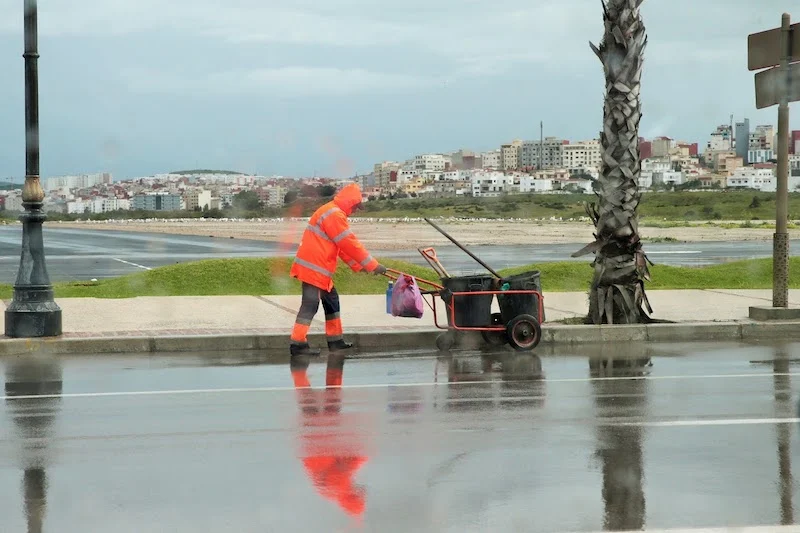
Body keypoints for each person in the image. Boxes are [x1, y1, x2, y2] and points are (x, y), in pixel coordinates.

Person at [289, 183, 386, 356]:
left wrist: (359, 265)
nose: (356, 210)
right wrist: (372, 265)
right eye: (356, 207)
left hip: (318, 267)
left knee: (331, 301)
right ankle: (298, 344)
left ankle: (335, 341)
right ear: (350, 202)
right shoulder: (334, 214)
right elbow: (349, 243)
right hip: (315, 267)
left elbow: (340, 246)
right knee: (310, 305)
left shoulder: (333, 212)